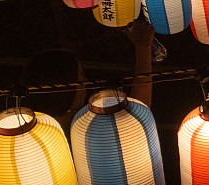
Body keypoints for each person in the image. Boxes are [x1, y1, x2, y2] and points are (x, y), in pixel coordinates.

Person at [18, 18, 155, 131]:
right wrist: (143, 46)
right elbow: (138, 115)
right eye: (81, 79)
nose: (86, 82)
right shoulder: (82, 131)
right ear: (66, 89)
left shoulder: (28, 132)